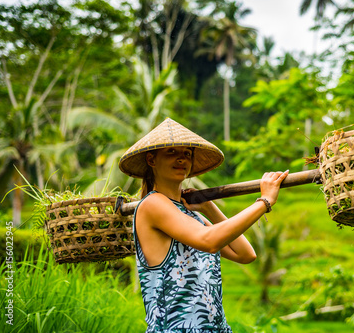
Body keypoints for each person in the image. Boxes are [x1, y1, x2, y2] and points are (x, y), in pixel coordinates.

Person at [119, 118, 288, 332]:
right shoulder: (153, 203)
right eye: (172, 152)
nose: (181, 159)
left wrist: (209, 208)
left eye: (187, 154)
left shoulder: (192, 216)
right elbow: (208, 241)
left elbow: (246, 254)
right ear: (152, 160)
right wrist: (265, 202)